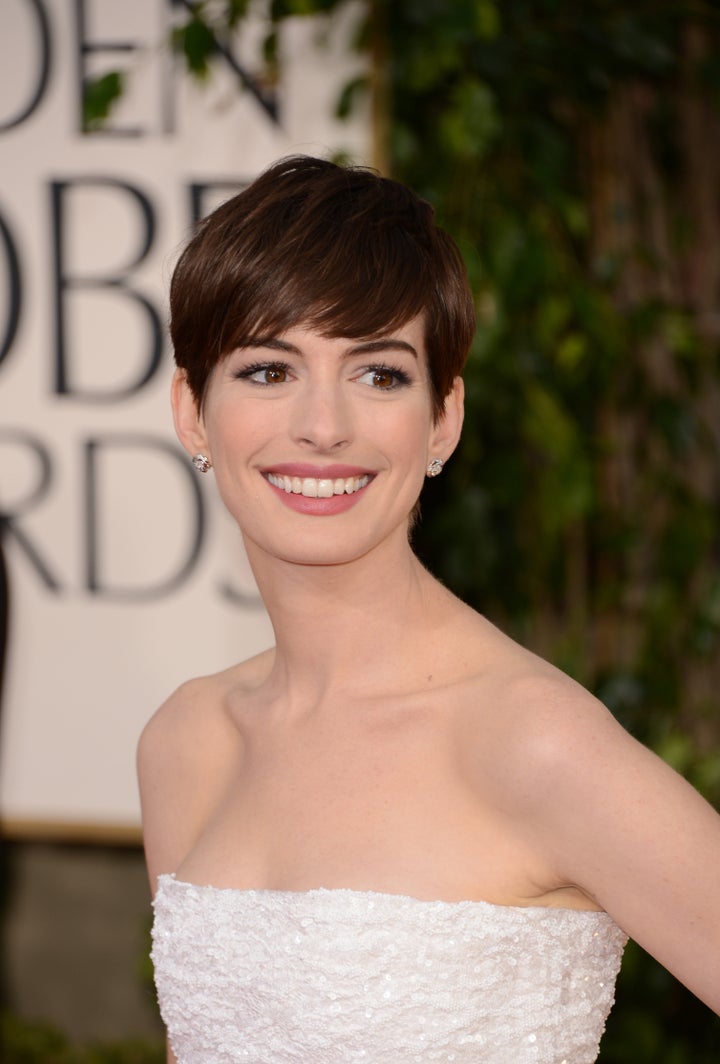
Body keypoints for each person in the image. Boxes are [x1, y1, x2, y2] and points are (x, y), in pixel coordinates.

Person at [138, 155, 720, 1064]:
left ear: (443, 418)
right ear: (193, 413)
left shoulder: (535, 743)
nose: (323, 425)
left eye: (378, 375)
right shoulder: (187, 743)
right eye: (266, 370)